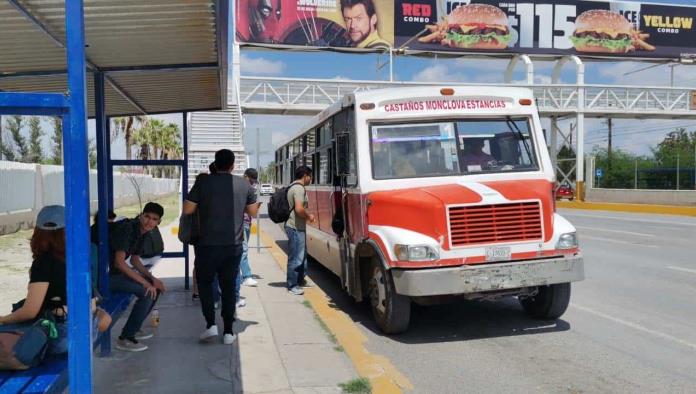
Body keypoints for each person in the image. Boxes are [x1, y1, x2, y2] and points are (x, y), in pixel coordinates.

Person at [0, 205, 112, 354]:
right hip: (84, 330)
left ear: (39, 232)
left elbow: (30, 311)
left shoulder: (44, 261)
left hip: (61, 336)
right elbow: (92, 306)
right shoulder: (77, 258)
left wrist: (4, 319)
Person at [183, 149, 259, 345]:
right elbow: (252, 212)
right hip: (232, 246)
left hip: (206, 245)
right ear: (233, 165)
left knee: (206, 284)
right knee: (228, 287)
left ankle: (210, 325)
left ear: (215, 164)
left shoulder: (203, 182)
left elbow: (188, 209)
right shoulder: (244, 185)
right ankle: (228, 331)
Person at [109, 202, 167, 352]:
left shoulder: (143, 232)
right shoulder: (128, 229)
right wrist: (146, 284)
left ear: (158, 222)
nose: (149, 221)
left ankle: (134, 327)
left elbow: (134, 259)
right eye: (147, 216)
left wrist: (152, 279)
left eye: (154, 219)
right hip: (104, 277)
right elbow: (120, 263)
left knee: (156, 288)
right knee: (147, 291)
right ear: (141, 215)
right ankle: (125, 338)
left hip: (115, 273)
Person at [285, 166, 315, 295]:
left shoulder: (295, 186)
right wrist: (309, 217)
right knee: (296, 257)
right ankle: (292, 285)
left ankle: (300, 280)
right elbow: (298, 209)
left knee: (301, 256)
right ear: (305, 176)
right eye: (310, 176)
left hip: (297, 226)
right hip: (295, 227)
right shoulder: (298, 188)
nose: (311, 179)